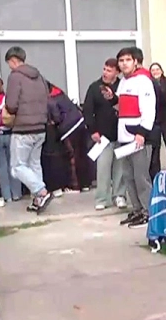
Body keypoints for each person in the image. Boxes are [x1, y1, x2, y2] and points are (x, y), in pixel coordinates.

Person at [3, 46, 53, 213]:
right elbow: (48, 97)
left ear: (13, 60)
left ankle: (41, 191)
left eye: (9, 63)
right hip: (41, 128)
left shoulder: (15, 76)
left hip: (23, 129)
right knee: (34, 164)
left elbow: (11, 104)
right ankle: (38, 200)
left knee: (17, 167)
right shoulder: (40, 77)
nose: (9, 66)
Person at [112, 46, 157, 228]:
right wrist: (111, 99)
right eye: (121, 61)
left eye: (127, 60)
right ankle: (137, 209)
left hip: (137, 137)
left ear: (136, 61)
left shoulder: (143, 81)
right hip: (124, 137)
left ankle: (149, 211)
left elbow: (148, 108)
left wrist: (142, 133)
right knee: (128, 176)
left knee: (141, 177)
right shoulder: (123, 82)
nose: (124, 64)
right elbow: (121, 107)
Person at [83, 58, 126, 210]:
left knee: (120, 168)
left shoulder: (123, 85)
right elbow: (88, 110)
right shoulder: (94, 87)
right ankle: (102, 198)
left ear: (117, 72)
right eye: (104, 69)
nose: (105, 73)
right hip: (103, 136)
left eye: (109, 70)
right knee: (103, 168)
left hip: (122, 133)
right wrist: (93, 130)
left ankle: (119, 195)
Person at [45, 83, 91, 194]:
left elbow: (57, 117)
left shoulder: (50, 99)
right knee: (81, 155)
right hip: (79, 122)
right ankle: (85, 184)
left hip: (68, 129)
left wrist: (51, 122)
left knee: (72, 157)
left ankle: (75, 186)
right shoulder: (60, 93)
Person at [0, 77, 23, 207]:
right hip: (10, 133)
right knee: (14, 164)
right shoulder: (8, 99)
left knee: (1, 167)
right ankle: (17, 194)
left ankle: (7, 196)